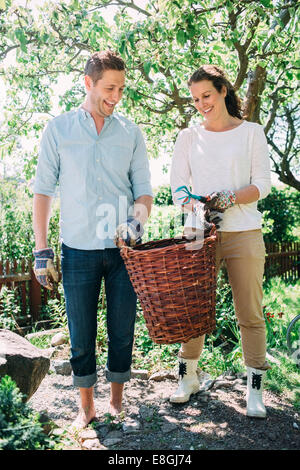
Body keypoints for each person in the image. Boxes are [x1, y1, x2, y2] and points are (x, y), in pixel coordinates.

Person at [32, 50, 153, 429]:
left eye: (121, 89)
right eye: (108, 88)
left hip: (122, 252)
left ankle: (116, 401)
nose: (115, 96)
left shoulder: (131, 132)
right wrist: (41, 250)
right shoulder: (59, 130)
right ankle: (86, 407)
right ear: (88, 83)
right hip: (77, 249)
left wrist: (136, 223)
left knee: (122, 329)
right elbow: (42, 191)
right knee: (81, 334)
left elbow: (144, 191)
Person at [170, 64, 271, 418]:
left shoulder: (252, 133)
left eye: (207, 96)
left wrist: (227, 198)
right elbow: (178, 186)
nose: (201, 104)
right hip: (199, 232)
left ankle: (254, 391)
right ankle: (187, 378)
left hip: (244, 230)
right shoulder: (188, 137)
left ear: (223, 90)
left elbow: (263, 184)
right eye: (196, 99)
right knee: (193, 309)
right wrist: (194, 204)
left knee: (250, 312)